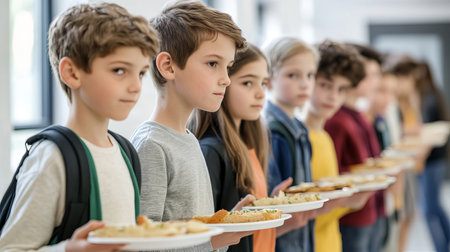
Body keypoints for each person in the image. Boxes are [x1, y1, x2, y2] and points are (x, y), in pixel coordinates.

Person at [0, 2, 159, 251]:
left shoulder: (126, 152)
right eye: (119, 70)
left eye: (140, 73)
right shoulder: (52, 158)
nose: (136, 86)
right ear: (72, 73)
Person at [130, 1, 250, 251]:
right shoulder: (152, 146)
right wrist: (213, 240)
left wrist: (225, 224)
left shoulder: (188, 139)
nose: (226, 79)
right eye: (212, 64)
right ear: (168, 66)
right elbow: (142, 245)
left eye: (228, 67)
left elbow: (197, 234)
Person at [189, 44, 315, 252]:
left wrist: (273, 207)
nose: (260, 94)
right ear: (223, 83)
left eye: (263, 83)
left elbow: (251, 234)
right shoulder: (211, 150)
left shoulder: (252, 145)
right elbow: (208, 237)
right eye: (248, 83)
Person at [305, 40, 374, 252]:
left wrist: (349, 200)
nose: (333, 96)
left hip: (331, 242)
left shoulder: (324, 137)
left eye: (342, 89)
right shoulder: (301, 138)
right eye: (325, 85)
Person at [324, 43, 387, 252]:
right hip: (351, 215)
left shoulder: (357, 115)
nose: (373, 83)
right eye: (369, 75)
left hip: (369, 206)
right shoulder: (337, 120)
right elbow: (334, 171)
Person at [262, 37, 318, 252]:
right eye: (292, 75)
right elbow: (273, 203)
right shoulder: (272, 132)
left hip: (302, 239)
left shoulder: (300, 130)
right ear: (269, 80)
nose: (305, 84)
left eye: (310, 75)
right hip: (284, 243)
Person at [415, 61, 450, 252]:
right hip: (436, 160)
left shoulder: (427, 97)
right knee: (434, 206)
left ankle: (441, 248)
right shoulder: (433, 93)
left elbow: (426, 130)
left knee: (429, 209)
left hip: (432, 160)